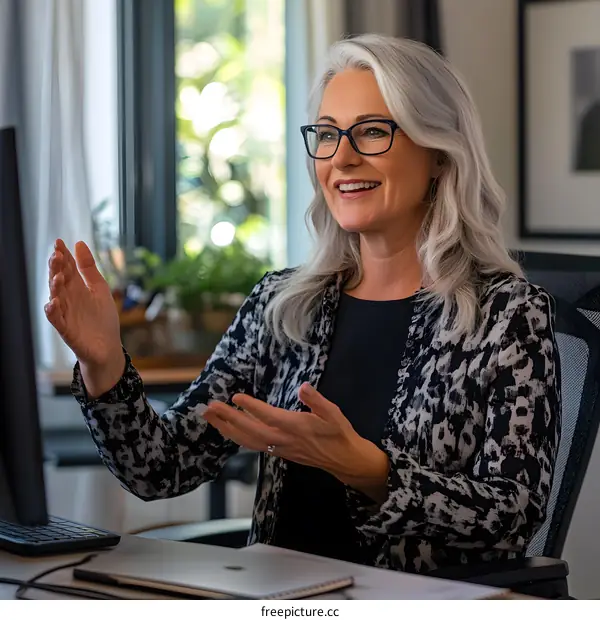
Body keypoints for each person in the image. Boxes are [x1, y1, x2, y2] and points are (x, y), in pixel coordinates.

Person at [45, 34, 560, 574]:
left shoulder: (508, 315)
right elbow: (161, 467)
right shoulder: (284, 304)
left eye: (372, 132)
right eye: (329, 134)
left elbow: (514, 513)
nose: (342, 157)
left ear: (438, 152)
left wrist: (369, 470)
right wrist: (103, 364)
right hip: (275, 599)